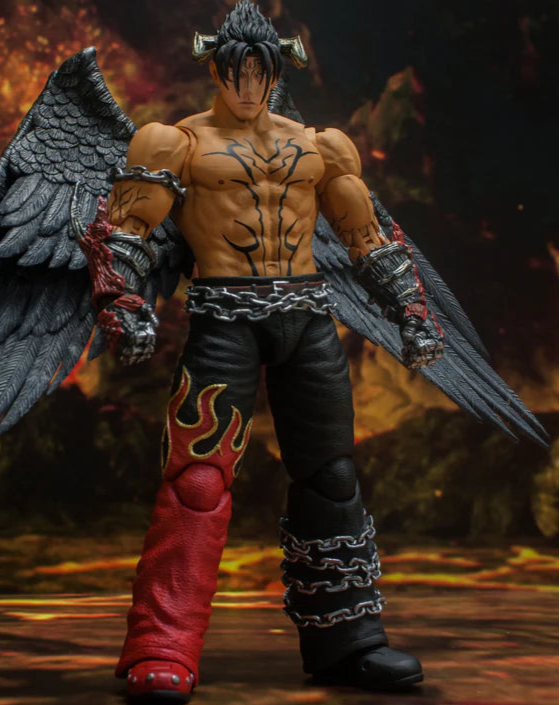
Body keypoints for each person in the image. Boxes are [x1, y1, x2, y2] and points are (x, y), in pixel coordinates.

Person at [76, 2, 442, 701]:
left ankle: (348, 642)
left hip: (307, 317)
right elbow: (125, 233)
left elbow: (366, 237)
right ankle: (162, 645)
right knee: (197, 479)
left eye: (259, 71)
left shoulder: (322, 146)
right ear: (214, 68)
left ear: (277, 71)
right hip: (224, 318)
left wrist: (412, 311)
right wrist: (119, 301)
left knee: (331, 475)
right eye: (234, 71)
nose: (246, 85)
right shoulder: (173, 141)